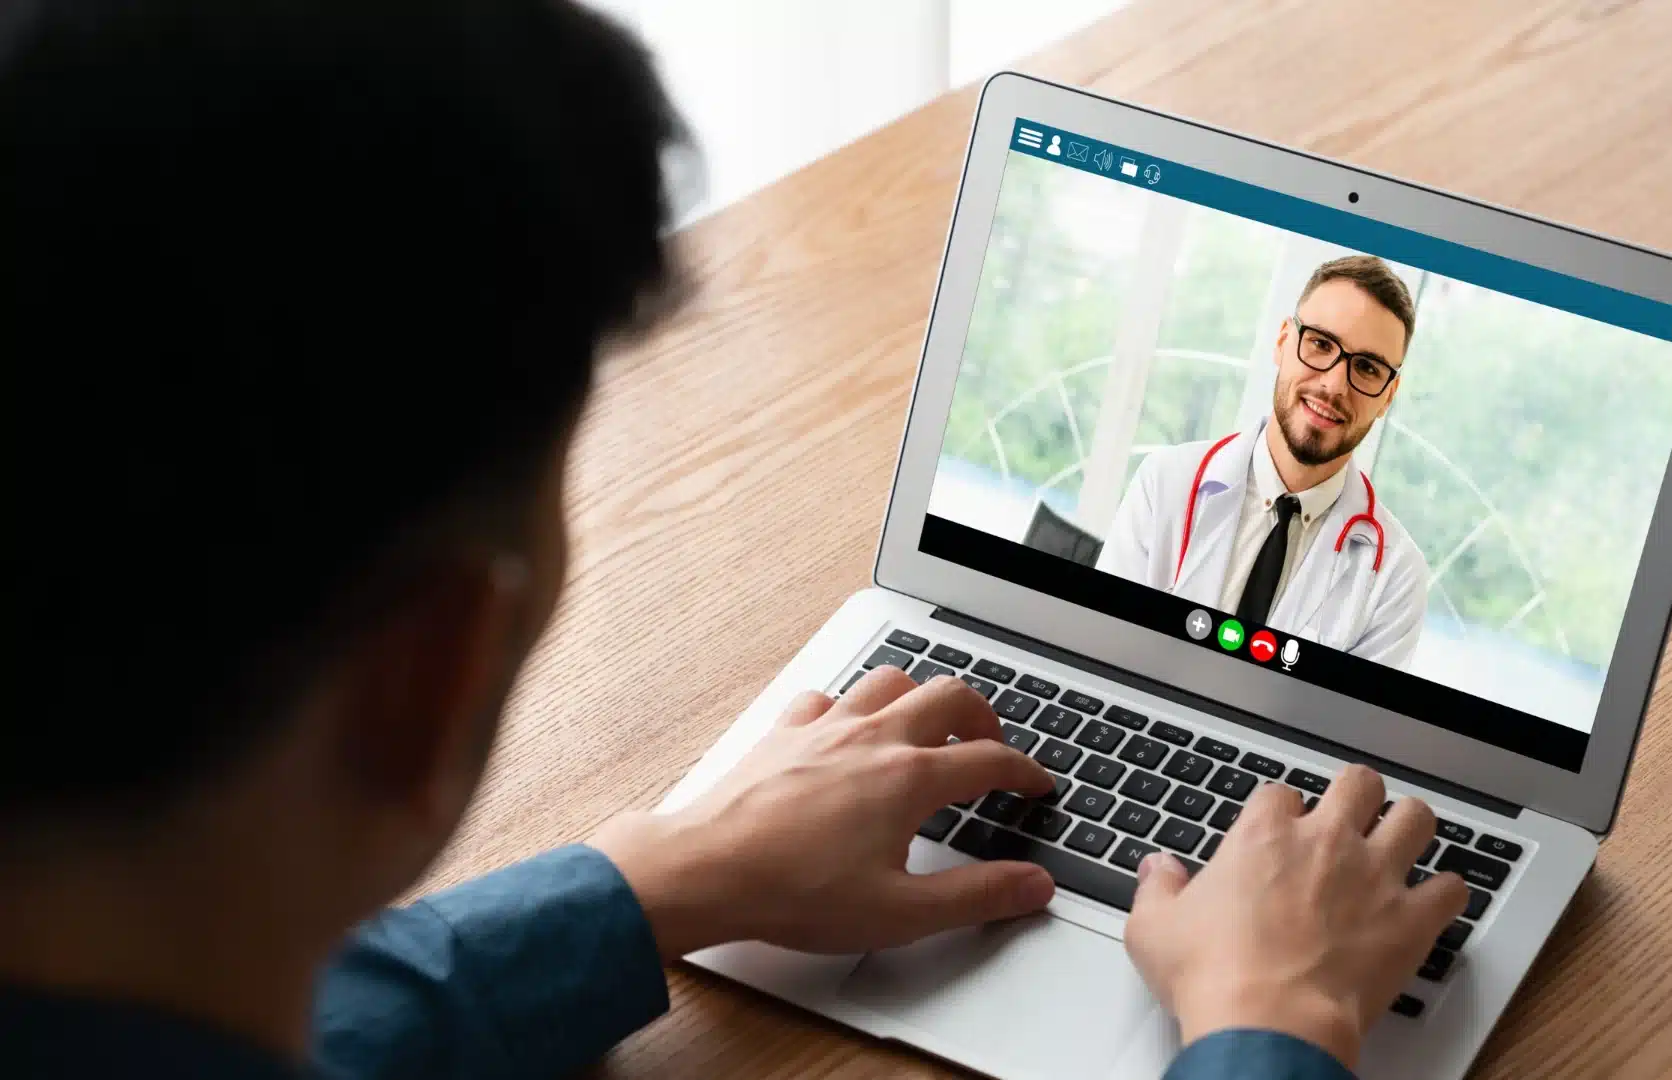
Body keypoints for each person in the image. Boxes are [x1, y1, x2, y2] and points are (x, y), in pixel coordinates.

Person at [0, 3, 1469, 1079]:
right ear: (428, 680)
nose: (1333, 383)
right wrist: (1275, 1036)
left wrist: (651, 884)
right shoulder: (1172, 477)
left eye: (1371, 367)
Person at [1097, 256, 1432, 669]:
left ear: (1388, 394)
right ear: (1282, 341)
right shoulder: (1164, 483)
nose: (1333, 384)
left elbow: (1346, 728)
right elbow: (1103, 654)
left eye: (1366, 367)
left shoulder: (1397, 576)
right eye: (1321, 344)